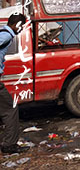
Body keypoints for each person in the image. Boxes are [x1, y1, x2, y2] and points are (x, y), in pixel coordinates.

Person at [0, 13, 27, 154]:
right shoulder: (6, 36)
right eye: (22, 26)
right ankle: (9, 145)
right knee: (10, 109)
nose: (22, 29)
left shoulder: (3, 33)